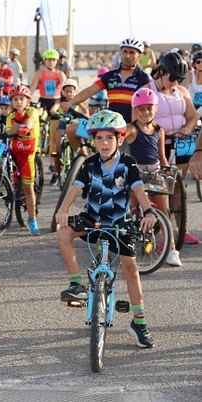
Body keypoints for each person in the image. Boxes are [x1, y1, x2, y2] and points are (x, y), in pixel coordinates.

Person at [55, 109, 157, 349]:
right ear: (93, 140)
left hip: (119, 223)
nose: (104, 143)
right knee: (62, 233)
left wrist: (149, 211)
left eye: (110, 138)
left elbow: (139, 190)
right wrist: (63, 209)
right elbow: (76, 188)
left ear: (120, 139)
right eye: (99, 138)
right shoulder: (90, 164)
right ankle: (76, 283)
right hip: (92, 220)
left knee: (130, 268)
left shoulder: (128, 164)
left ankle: (139, 322)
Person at [125, 88, 179, 265]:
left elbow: (162, 156)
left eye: (149, 108)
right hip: (136, 173)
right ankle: (127, 242)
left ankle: (171, 249)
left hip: (155, 171)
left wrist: (166, 171)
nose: (145, 113)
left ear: (155, 108)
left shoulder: (159, 130)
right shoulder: (132, 129)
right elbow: (118, 138)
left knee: (164, 209)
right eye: (141, 109)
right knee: (132, 210)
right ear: (135, 110)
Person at [151, 51, 199, 246]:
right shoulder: (148, 90)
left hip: (181, 142)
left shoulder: (182, 91)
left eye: (178, 79)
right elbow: (141, 119)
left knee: (178, 188)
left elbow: (193, 116)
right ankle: (162, 232)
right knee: (160, 190)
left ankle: (182, 231)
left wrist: (187, 129)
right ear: (161, 71)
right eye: (172, 78)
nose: (174, 83)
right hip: (158, 143)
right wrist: (159, 131)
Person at [61, 38, 150, 125]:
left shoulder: (143, 78)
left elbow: (147, 105)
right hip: (110, 122)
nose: (127, 55)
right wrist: (70, 102)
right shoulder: (110, 76)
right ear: (120, 53)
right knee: (73, 130)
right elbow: (90, 91)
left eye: (132, 53)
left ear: (139, 56)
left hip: (132, 124)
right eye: (125, 51)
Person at [6, 84, 41, 235]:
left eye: (22, 99)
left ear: (28, 101)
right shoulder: (10, 116)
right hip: (15, 152)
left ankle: (32, 219)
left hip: (28, 154)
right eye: (15, 99)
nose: (19, 102)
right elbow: (10, 131)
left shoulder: (32, 111)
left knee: (28, 188)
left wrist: (24, 126)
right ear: (11, 102)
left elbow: (29, 123)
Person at [29, 48, 66, 172]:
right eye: (49, 60)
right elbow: (32, 89)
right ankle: (37, 145)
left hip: (56, 101)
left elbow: (65, 93)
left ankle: (54, 163)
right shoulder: (39, 73)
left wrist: (58, 105)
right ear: (44, 61)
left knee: (55, 136)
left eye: (54, 60)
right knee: (36, 116)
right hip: (43, 101)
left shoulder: (60, 74)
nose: (51, 62)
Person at [50, 79, 90, 185]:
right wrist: (55, 112)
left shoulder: (77, 101)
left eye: (71, 91)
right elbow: (54, 109)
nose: (69, 93)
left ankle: (83, 157)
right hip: (63, 122)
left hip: (74, 122)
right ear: (62, 91)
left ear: (75, 92)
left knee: (81, 139)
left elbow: (85, 110)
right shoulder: (60, 101)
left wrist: (86, 116)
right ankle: (58, 156)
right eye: (66, 91)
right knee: (58, 136)